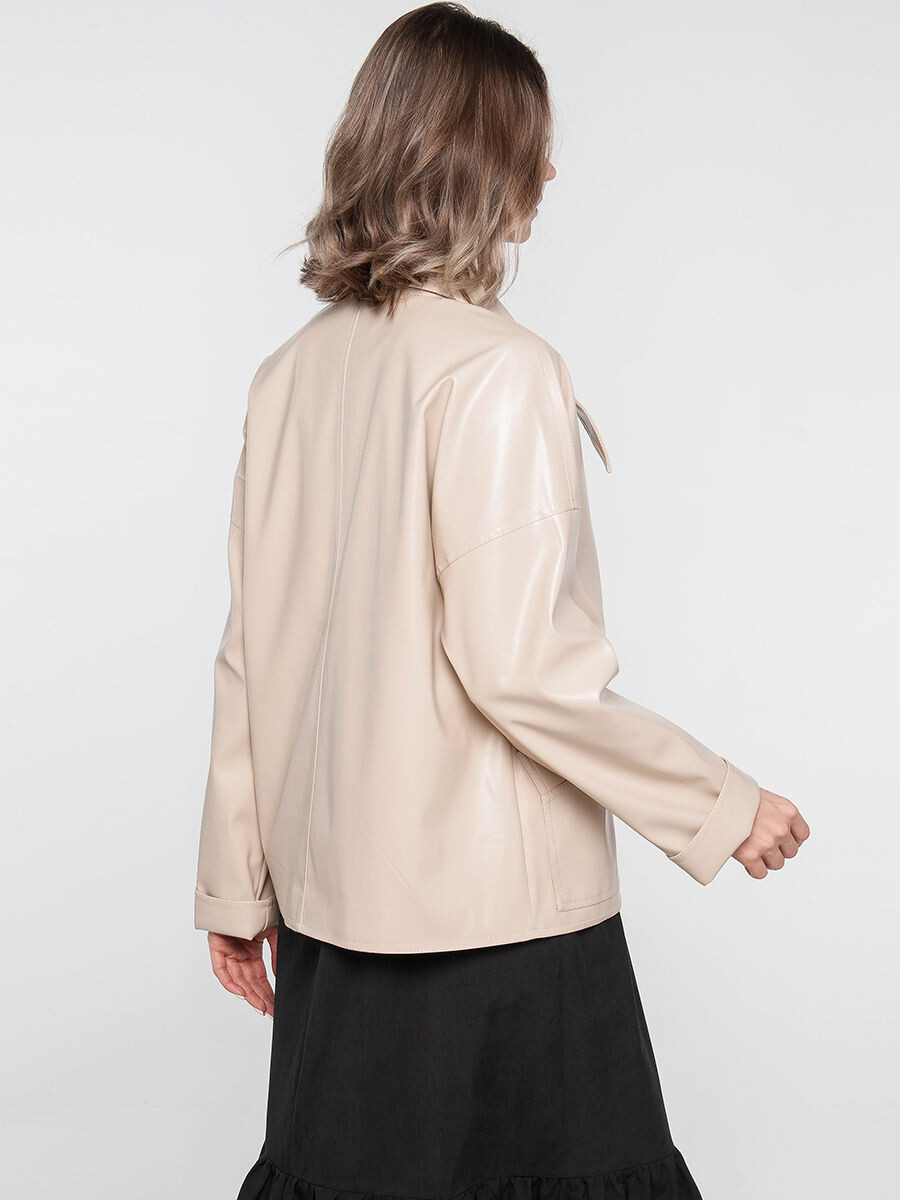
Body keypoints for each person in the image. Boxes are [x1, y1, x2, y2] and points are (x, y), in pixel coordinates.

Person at [193, 5, 810, 1198]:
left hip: (331, 920)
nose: (551, 172)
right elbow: (518, 664)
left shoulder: (291, 374)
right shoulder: (498, 368)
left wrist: (234, 881)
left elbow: (248, 654)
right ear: (479, 160)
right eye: (533, 144)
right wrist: (722, 804)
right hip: (498, 927)